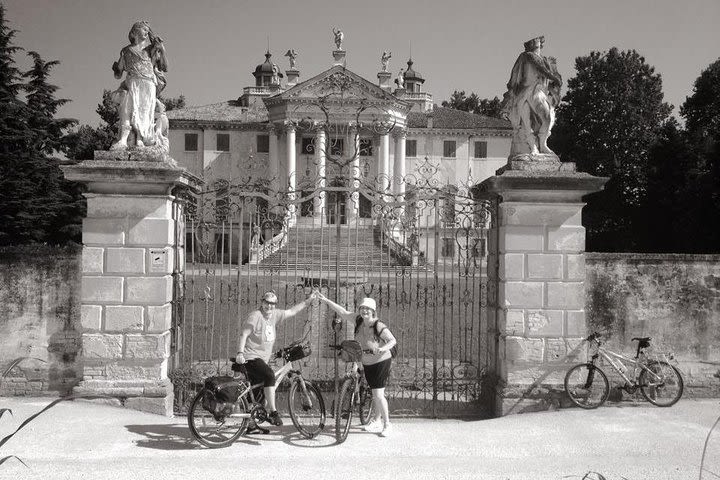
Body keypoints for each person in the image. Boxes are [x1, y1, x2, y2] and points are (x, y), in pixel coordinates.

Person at [317, 293, 396, 437]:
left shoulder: (378, 326)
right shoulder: (358, 320)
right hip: (366, 362)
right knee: (376, 393)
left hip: (381, 361)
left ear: (373, 311)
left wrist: (382, 348)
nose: (364, 311)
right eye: (362, 308)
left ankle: (387, 425)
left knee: (378, 394)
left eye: (367, 309)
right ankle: (377, 420)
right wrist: (326, 300)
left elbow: (392, 341)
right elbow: (342, 312)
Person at [236, 290, 315, 427]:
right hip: (250, 357)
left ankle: (251, 424)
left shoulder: (274, 315)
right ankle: (273, 412)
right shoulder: (255, 316)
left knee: (257, 392)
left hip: (261, 359)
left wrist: (307, 302)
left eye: (273, 304)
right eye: (267, 303)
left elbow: (292, 312)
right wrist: (240, 353)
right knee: (269, 375)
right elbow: (244, 335)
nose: (269, 306)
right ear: (262, 302)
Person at [500, 36, 562, 157]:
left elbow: (549, 72)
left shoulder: (543, 59)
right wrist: (553, 77)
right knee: (527, 123)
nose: (536, 48)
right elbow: (541, 69)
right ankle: (533, 147)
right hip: (525, 93)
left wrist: (554, 79)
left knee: (546, 118)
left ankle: (542, 144)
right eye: (535, 46)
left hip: (538, 92)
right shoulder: (528, 56)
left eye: (538, 46)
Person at [110, 21, 168, 150]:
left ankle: (140, 139)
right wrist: (116, 68)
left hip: (148, 84)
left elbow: (164, 66)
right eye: (144, 29)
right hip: (133, 83)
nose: (146, 32)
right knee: (128, 109)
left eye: (148, 30)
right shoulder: (126, 51)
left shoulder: (151, 49)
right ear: (135, 32)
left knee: (145, 112)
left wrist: (161, 48)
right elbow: (118, 74)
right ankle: (124, 139)